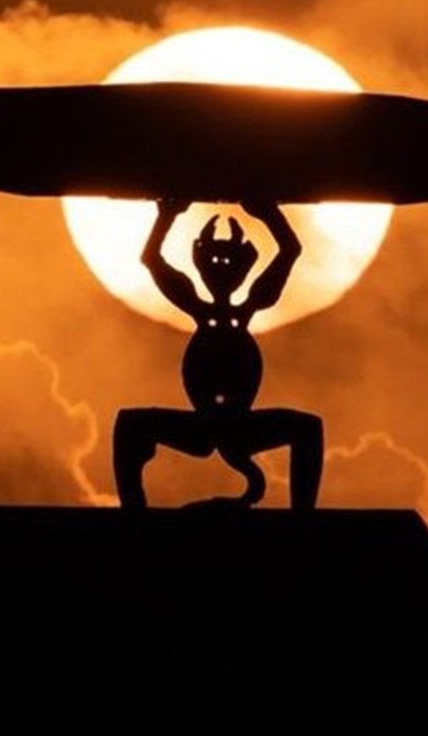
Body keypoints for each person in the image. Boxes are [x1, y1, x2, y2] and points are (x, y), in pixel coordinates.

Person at [113, 197, 324, 510]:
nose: (221, 267)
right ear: (199, 262)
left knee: (306, 428)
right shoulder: (195, 303)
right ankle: (134, 516)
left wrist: (268, 212)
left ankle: (303, 521)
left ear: (246, 266)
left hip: (240, 424)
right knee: (131, 424)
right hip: (202, 424)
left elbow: (290, 252)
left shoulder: (254, 302)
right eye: (212, 259)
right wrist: (167, 215)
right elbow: (152, 259)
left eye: (230, 261)